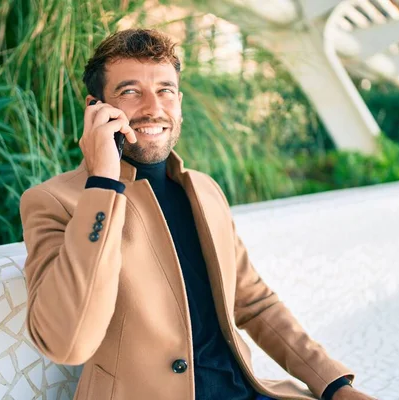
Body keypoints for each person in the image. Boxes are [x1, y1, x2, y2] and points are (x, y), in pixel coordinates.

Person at [19, 28, 376, 400]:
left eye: (165, 91)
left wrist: (334, 385)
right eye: (130, 92)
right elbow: (67, 343)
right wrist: (104, 184)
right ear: (96, 108)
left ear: (179, 101)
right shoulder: (53, 201)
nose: (152, 107)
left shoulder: (204, 190)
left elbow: (254, 302)